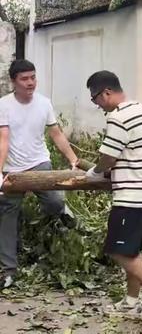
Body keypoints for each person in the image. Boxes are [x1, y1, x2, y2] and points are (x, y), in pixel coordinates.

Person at [85, 70, 142, 320]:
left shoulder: (119, 117)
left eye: (95, 99)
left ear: (107, 92)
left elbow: (109, 157)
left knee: (116, 250)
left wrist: (95, 171)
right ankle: (130, 303)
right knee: (132, 251)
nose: (97, 105)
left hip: (130, 195)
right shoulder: (140, 109)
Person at [0, 60, 78, 289]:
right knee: (7, 216)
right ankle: (9, 271)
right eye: (24, 79)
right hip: (12, 170)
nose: (30, 82)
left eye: (33, 77)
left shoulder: (44, 103)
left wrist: (73, 159)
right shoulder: (3, 105)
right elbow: (3, 140)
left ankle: (62, 210)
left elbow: (56, 134)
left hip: (39, 163)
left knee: (55, 200)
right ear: (14, 81)